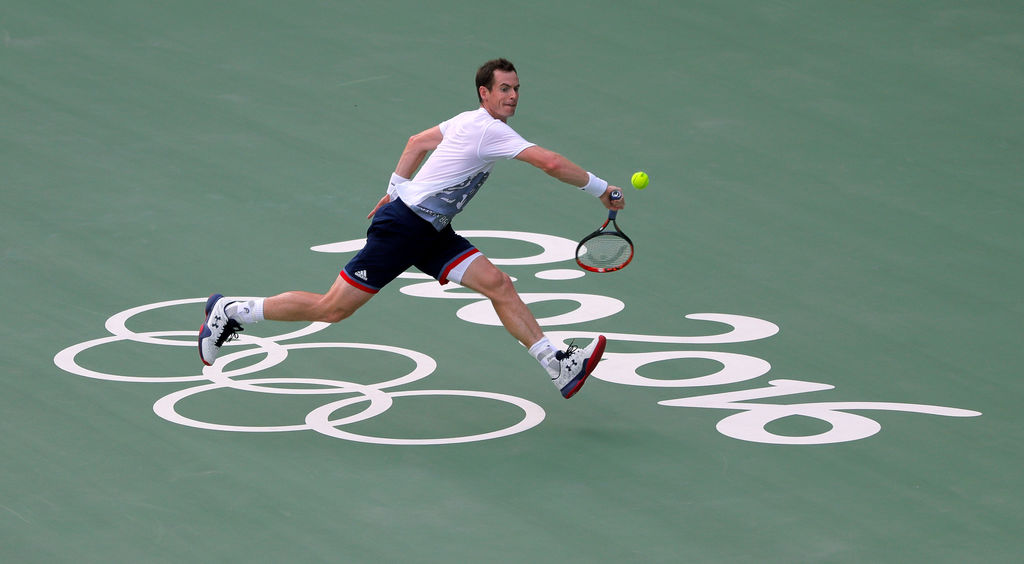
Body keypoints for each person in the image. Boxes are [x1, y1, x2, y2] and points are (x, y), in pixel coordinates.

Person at [198, 58, 625, 399]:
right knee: (332, 309)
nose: (512, 96)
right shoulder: (488, 131)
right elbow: (549, 162)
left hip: (430, 229)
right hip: (405, 228)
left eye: (516, 89)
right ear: (485, 93)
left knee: (497, 284)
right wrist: (601, 189)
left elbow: (416, 142)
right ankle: (232, 311)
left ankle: (556, 363)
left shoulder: (465, 121)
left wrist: (394, 190)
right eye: (504, 89)